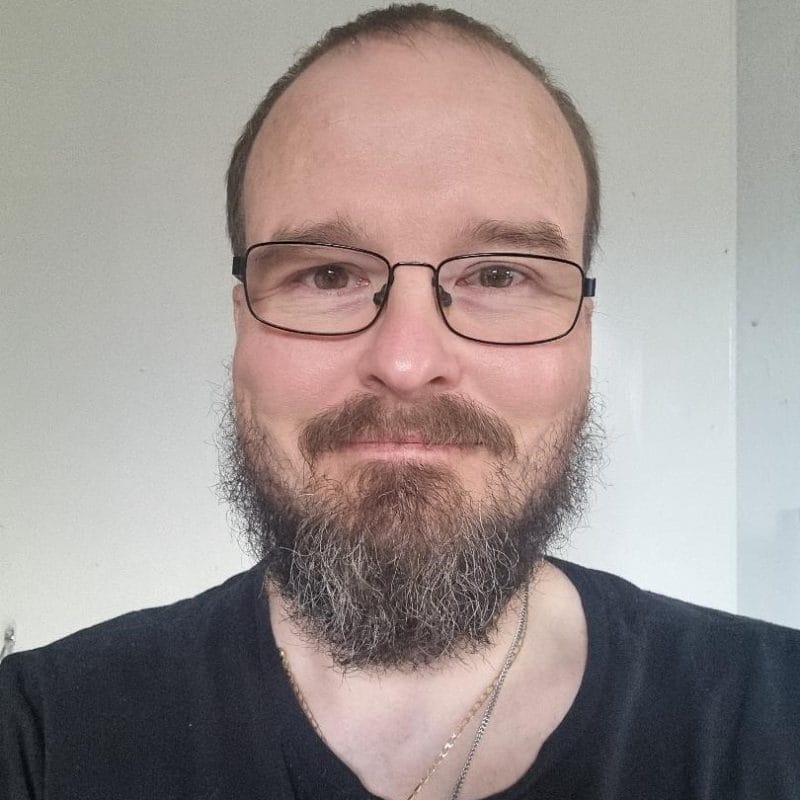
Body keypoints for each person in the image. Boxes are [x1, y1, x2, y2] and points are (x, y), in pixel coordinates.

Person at [2, 4, 798, 799]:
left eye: (497, 275)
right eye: (327, 275)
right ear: (243, 324)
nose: (408, 362)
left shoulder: (777, 718)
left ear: (582, 336)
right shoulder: (39, 737)